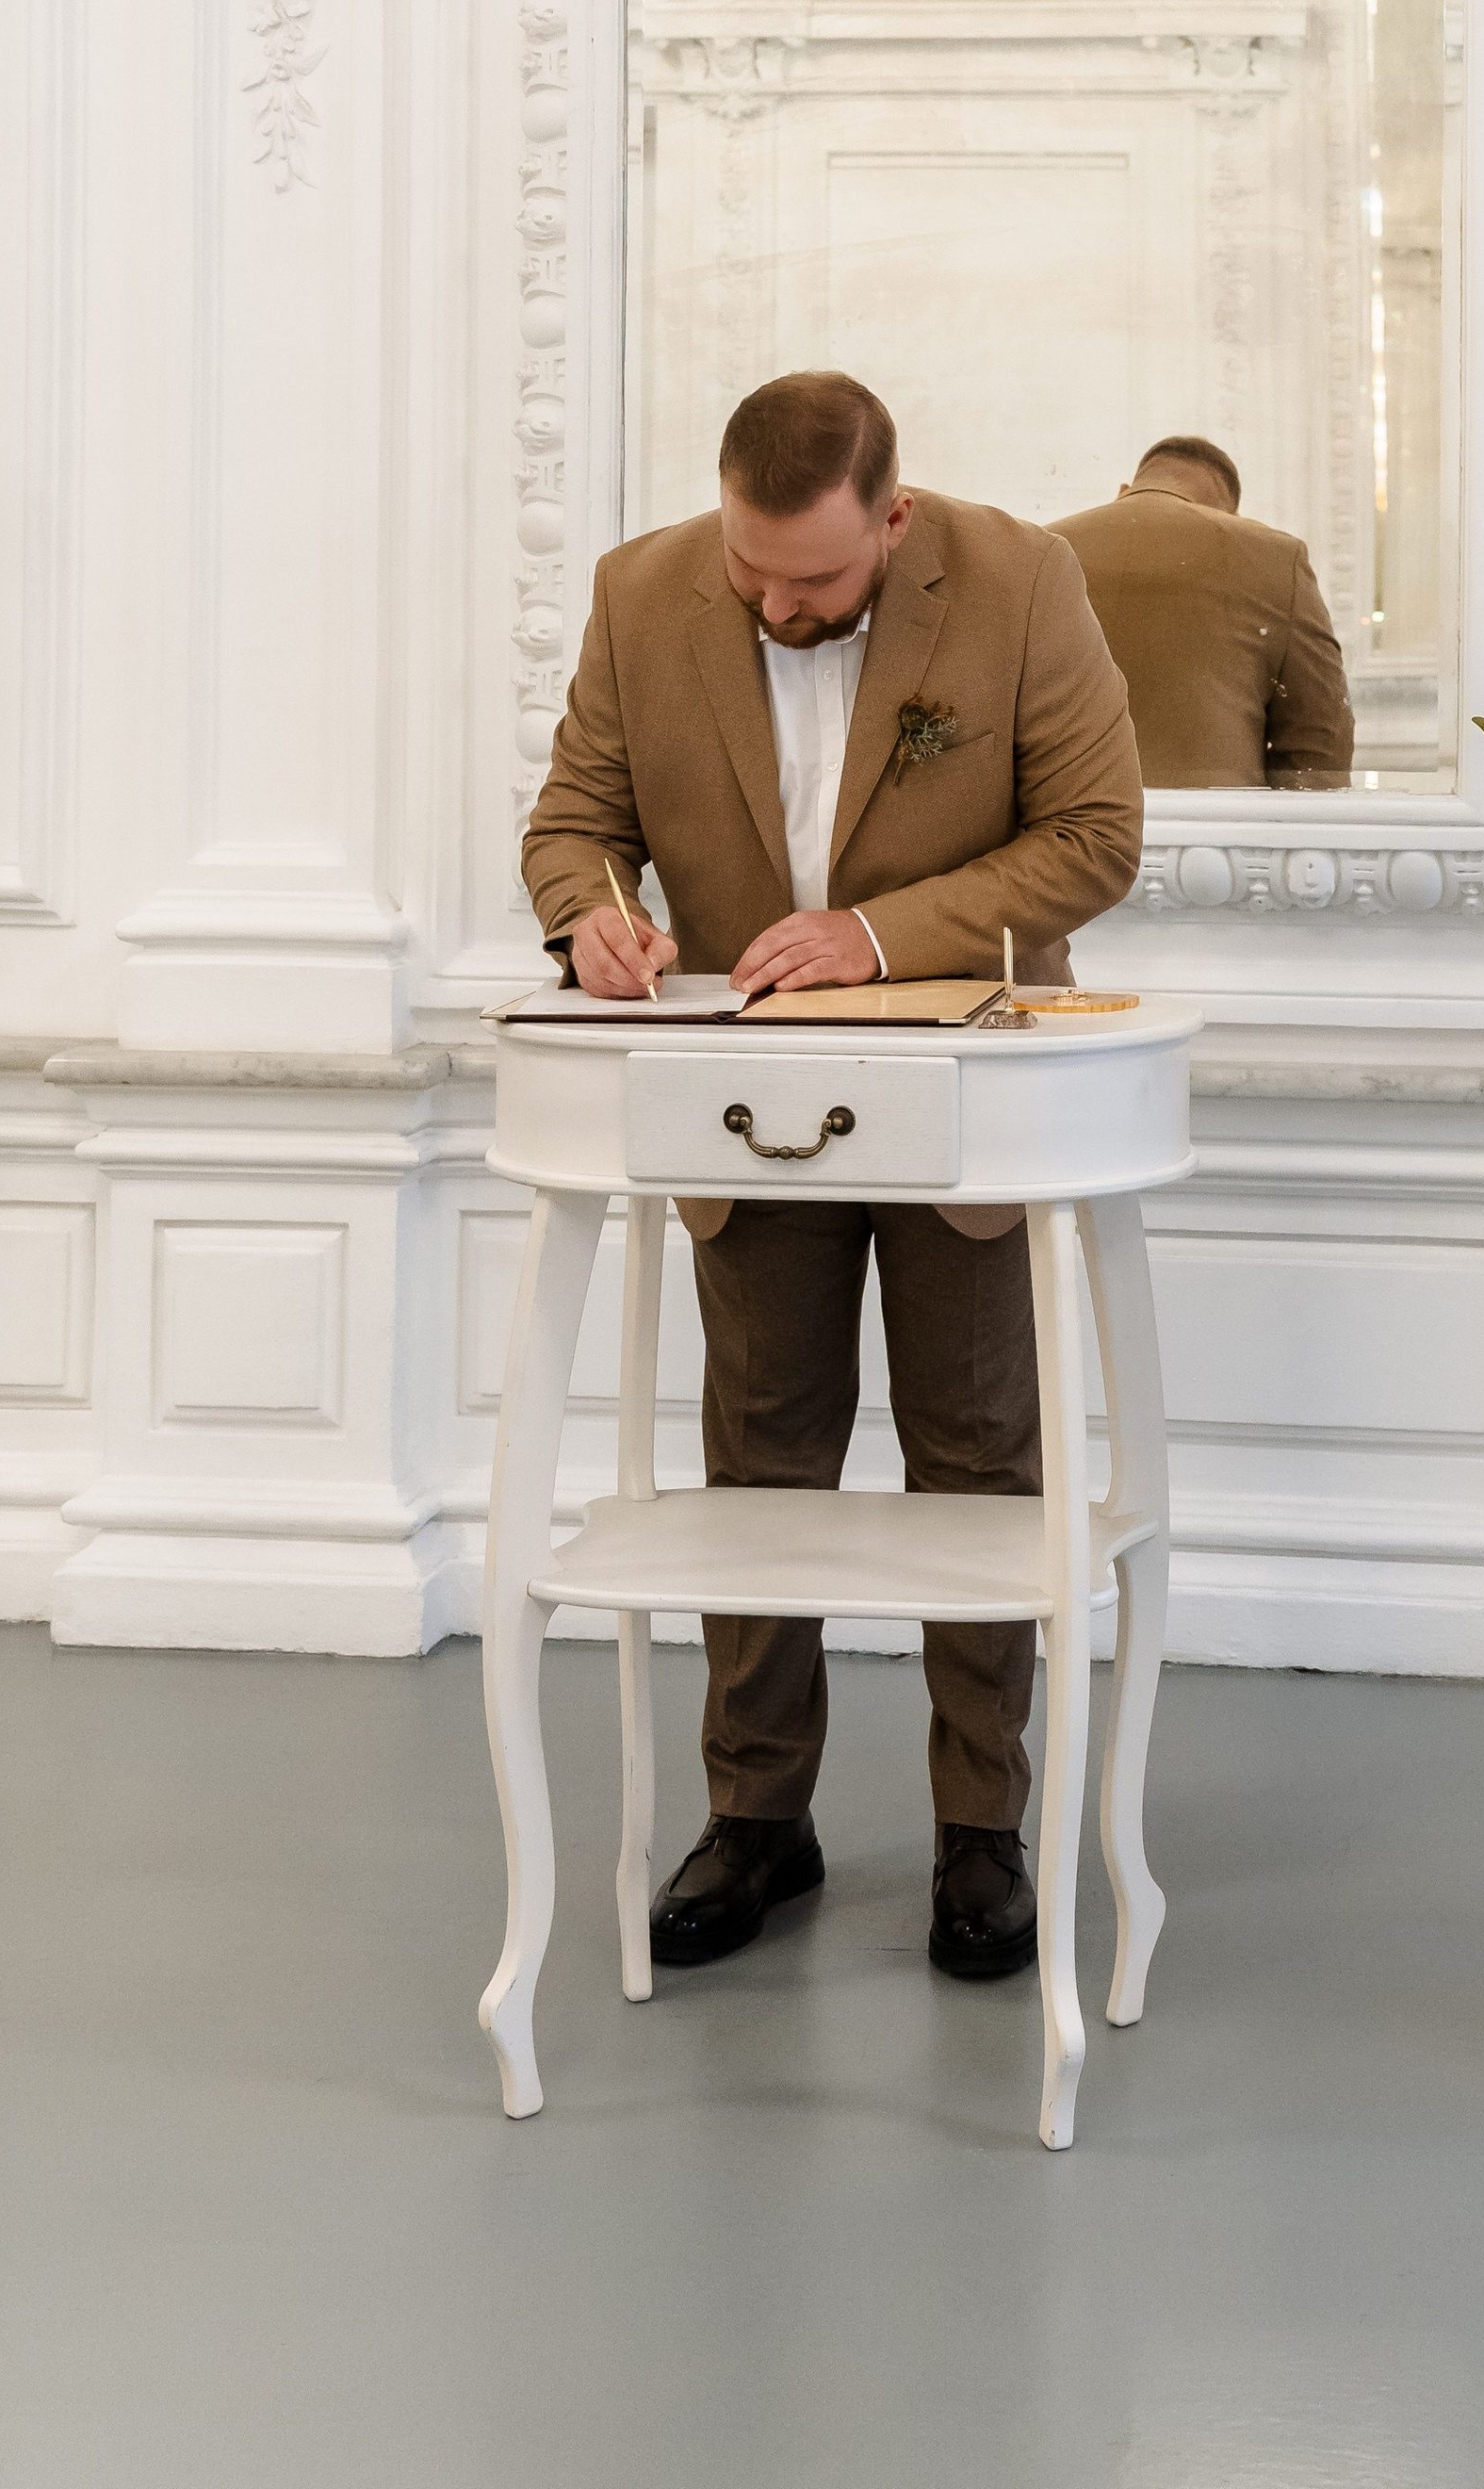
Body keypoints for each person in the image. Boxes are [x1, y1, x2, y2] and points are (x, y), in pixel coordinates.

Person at [522, 370, 1144, 1984]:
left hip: (968, 1101)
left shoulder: (1023, 580)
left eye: (815, 578)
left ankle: (984, 1835)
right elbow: (574, 823)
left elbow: (1093, 834)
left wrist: (874, 936)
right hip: (742, 1101)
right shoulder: (640, 590)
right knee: (757, 1455)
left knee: (978, 1450)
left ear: (898, 516)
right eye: (752, 571)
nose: (775, 604)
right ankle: (757, 1822)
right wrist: (591, 912)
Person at [1053, 435, 1355, 790]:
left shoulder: (1044, 546)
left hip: (1060, 831)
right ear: (1230, 514)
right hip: (1213, 833)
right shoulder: (1273, 557)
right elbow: (1320, 747)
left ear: (1125, 489)